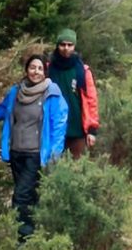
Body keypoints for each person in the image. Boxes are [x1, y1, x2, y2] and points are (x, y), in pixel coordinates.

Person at [0, 54, 68, 240]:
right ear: (26, 70)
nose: (36, 71)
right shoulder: (15, 92)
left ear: (45, 72)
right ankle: (37, 232)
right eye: (32, 67)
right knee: (30, 195)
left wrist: (54, 155)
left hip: (36, 155)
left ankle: (23, 238)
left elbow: (59, 125)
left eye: (40, 68)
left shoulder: (52, 94)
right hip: (16, 153)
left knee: (20, 196)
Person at [43, 29, 100, 160]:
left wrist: (92, 130)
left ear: (74, 46)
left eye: (70, 45)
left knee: (76, 167)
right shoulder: (48, 69)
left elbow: (91, 101)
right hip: (53, 128)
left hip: (77, 128)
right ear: (57, 46)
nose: (66, 48)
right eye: (62, 44)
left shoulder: (83, 71)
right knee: (50, 166)